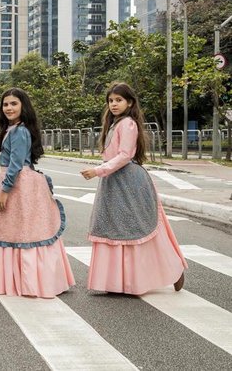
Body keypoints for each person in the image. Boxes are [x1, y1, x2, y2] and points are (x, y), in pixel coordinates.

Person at [80, 83, 187, 294]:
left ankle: (173, 268)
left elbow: (124, 155)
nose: (113, 104)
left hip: (128, 182)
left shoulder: (128, 123)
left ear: (129, 103)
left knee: (137, 228)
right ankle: (117, 282)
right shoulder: (114, 124)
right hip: (113, 182)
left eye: (118, 100)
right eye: (111, 100)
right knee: (114, 229)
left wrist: (98, 170)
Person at [0, 88, 75, 298]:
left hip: (19, 185)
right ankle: (21, 280)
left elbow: (16, 165)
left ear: (23, 107)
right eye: (5, 104)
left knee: (22, 231)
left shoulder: (20, 131)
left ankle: (26, 282)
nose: (9, 108)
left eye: (14, 104)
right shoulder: (13, 129)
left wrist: (4, 190)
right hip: (18, 184)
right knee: (14, 230)